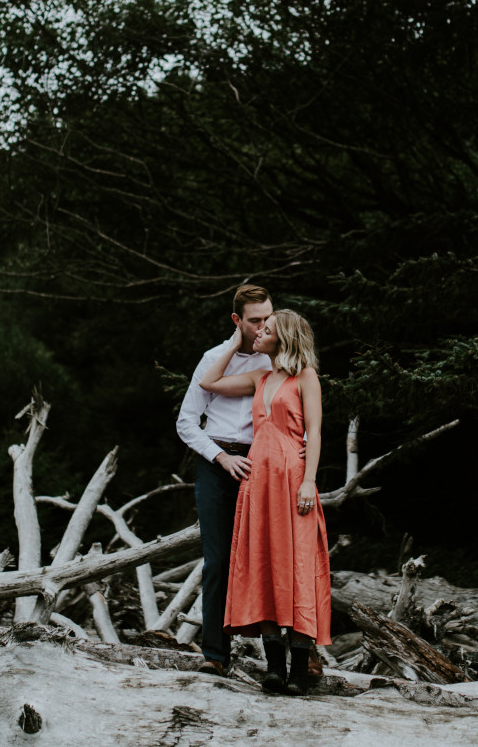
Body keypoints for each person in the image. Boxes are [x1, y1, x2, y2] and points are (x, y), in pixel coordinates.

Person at [199, 309, 331, 694]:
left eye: (266, 330)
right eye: (257, 328)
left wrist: (309, 482)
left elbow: (316, 432)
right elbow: (210, 381)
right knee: (264, 565)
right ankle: (273, 666)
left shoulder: (306, 376)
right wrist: (235, 340)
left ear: (284, 337)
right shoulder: (261, 376)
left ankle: (300, 670)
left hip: (292, 481)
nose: (259, 333)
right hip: (257, 483)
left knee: (299, 565)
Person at [176, 284, 275, 675]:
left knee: (270, 559)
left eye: (269, 318)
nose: (264, 326)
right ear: (237, 321)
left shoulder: (278, 361)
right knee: (217, 561)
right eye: (255, 321)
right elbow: (186, 421)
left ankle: (282, 662)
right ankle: (215, 656)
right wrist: (220, 457)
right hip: (216, 462)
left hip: (262, 463)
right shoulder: (213, 359)